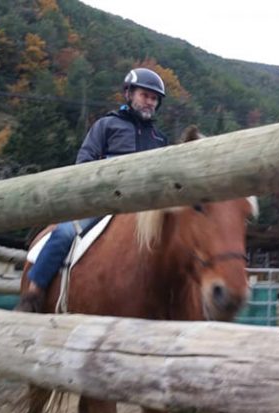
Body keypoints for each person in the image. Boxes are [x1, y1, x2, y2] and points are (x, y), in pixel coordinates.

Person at [15, 68, 169, 312]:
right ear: (129, 93)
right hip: (104, 202)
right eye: (145, 95)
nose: (150, 101)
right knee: (64, 233)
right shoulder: (106, 125)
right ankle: (33, 294)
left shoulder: (160, 139)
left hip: (146, 208)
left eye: (154, 98)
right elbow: (84, 163)